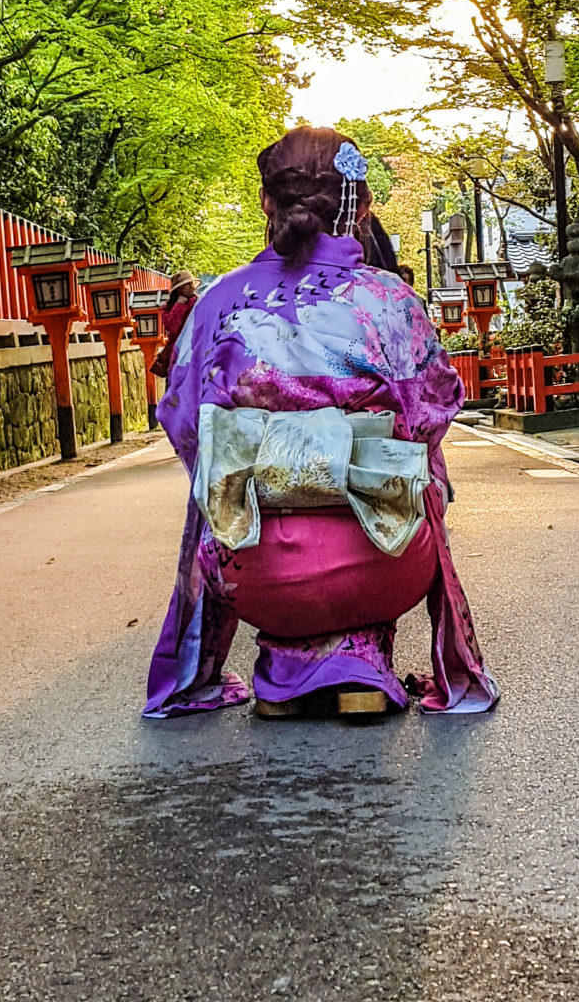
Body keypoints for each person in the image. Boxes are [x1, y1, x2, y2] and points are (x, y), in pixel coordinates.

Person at [145, 125, 497, 722]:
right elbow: (434, 411)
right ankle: (360, 664)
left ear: (266, 202)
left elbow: (184, 425)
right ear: (356, 208)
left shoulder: (218, 303)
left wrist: (261, 470)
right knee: (425, 478)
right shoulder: (389, 301)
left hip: (251, 562)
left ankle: (281, 670)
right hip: (381, 553)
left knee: (213, 494)